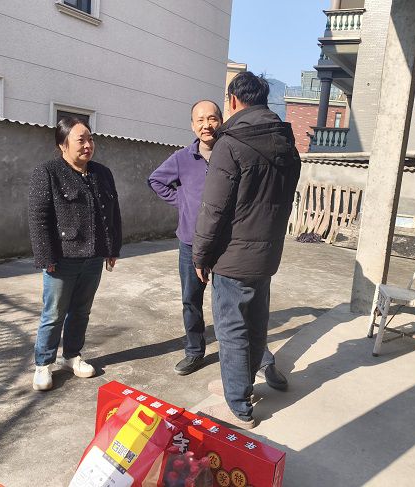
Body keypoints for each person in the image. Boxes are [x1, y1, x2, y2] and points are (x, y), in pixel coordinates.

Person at [148, 100, 288, 390]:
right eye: (200, 120)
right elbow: (156, 180)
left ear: (222, 121)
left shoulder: (236, 149)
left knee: (245, 307)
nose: (206, 125)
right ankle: (194, 351)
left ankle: (262, 360)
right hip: (191, 243)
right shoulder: (182, 158)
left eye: (212, 118)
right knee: (191, 300)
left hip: (230, 246)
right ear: (192, 125)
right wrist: (185, 203)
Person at [192, 73, 301, 429]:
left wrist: (200, 254)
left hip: (233, 256)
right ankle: (239, 384)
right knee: (255, 324)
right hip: (266, 255)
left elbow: (213, 208)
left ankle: (238, 406)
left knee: (232, 330)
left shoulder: (231, 143)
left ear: (233, 101)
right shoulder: (286, 144)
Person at [28, 117, 122, 391]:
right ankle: (43, 364)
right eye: (81, 140)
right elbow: (38, 218)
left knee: (81, 310)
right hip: (62, 259)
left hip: (93, 258)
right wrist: (46, 256)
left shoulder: (102, 173)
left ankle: (71, 356)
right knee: (53, 313)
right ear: (63, 144)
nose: (88, 145)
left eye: (90, 139)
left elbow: (113, 213)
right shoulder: (48, 172)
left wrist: (112, 248)